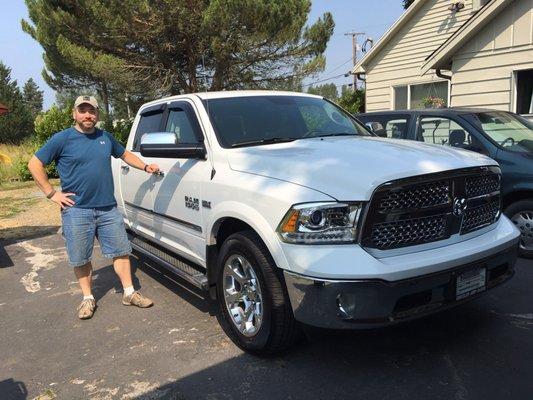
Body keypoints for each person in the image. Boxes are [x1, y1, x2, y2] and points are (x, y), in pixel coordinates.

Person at [28, 95, 160, 320]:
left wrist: (146, 166)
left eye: (92, 111)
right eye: (83, 110)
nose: (88, 115)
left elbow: (125, 154)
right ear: (74, 113)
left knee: (121, 251)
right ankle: (88, 298)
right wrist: (52, 193)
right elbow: (35, 163)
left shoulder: (105, 137)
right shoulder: (62, 139)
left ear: (97, 115)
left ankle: (129, 293)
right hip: (77, 210)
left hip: (108, 208)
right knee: (80, 257)